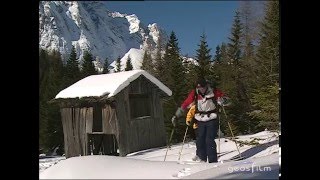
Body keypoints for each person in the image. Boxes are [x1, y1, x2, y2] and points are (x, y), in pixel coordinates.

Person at [171, 77, 225, 163]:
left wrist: (223, 101)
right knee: (200, 139)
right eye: (199, 88)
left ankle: (213, 161)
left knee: (209, 139)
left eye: (202, 88)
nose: (201, 90)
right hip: (200, 118)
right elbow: (186, 104)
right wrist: (176, 115)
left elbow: (224, 98)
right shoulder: (195, 93)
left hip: (212, 117)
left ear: (206, 86)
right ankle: (202, 158)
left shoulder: (213, 91)